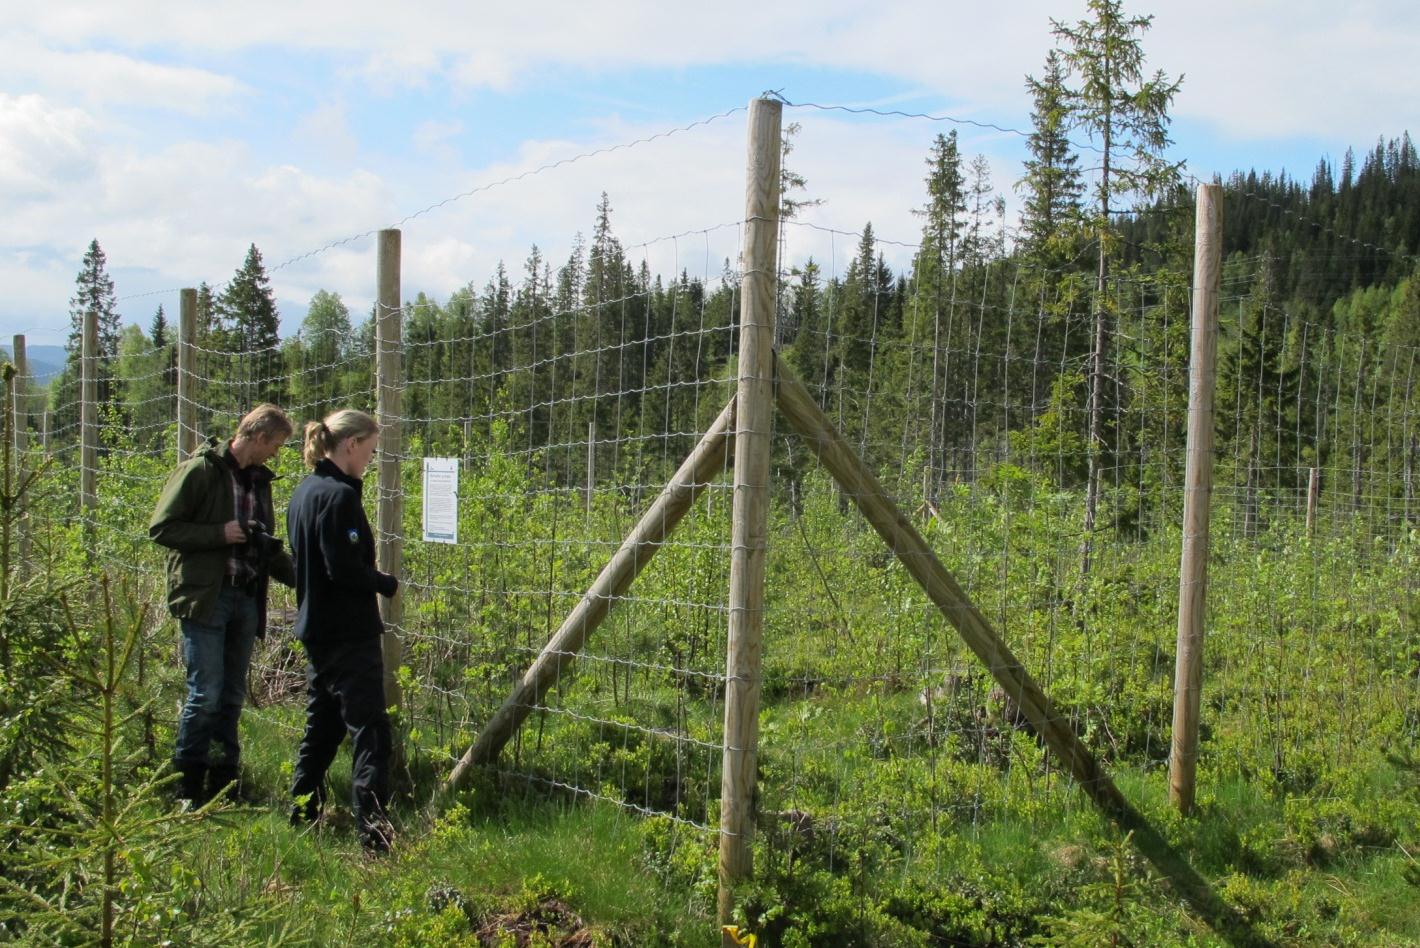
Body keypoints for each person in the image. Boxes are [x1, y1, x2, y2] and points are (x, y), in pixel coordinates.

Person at [149, 403, 297, 805]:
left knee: (232, 696)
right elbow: (162, 528)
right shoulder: (200, 471)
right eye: (277, 445)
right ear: (260, 437)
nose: (276, 454)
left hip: (246, 597)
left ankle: (225, 783)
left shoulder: (259, 481)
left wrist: (308, 582)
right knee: (205, 694)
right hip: (206, 598)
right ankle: (188, 786)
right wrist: (220, 533)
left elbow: (265, 543)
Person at [285, 409, 399, 852]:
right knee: (370, 733)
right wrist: (383, 582)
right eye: (369, 451)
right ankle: (374, 835)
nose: (370, 460)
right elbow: (343, 569)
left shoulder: (303, 492)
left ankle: (301, 811)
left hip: (316, 629)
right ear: (350, 445)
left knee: (323, 727)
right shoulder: (340, 497)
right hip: (349, 633)